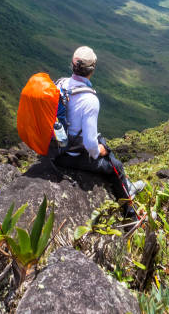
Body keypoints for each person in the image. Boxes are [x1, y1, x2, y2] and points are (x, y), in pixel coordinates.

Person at [55, 46, 145, 217]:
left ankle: (127, 186)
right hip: (71, 155)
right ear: (92, 70)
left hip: (56, 146)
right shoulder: (89, 100)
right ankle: (131, 214)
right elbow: (90, 145)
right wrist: (99, 151)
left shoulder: (61, 83)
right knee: (115, 165)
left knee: (103, 143)